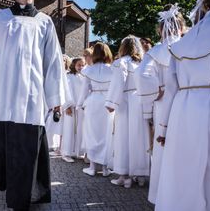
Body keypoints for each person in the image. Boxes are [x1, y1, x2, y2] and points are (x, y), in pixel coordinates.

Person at [0, 0, 68, 209]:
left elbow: (52, 63)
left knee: (25, 150)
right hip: (0, 97)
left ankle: (20, 200)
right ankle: (4, 183)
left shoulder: (45, 22)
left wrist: (55, 99)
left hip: (30, 98)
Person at [155, 0, 210, 210]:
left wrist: (163, 128)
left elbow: (171, 90)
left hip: (181, 113)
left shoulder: (187, 39)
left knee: (183, 178)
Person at [134, 4, 186, 203]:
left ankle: (161, 195)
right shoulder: (190, 45)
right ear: (180, 27)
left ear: (161, 29)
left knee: (163, 146)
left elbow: (142, 75)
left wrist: (157, 91)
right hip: (188, 100)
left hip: (164, 104)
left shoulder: (156, 51)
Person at [105, 35, 150, 188]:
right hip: (140, 100)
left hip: (124, 101)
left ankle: (124, 176)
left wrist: (111, 103)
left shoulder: (120, 63)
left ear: (123, 47)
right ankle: (140, 174)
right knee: (139, 137)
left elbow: (118, 83)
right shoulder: (142, 63)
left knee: (123, 137)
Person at [77, 42, 114, 177]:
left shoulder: (89, 70)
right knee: (106, 134)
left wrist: (79, 104)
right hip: (107, 103)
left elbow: (84, 90)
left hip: (93, 102)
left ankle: (92, 167)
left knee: (92, 133)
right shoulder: (113, 69)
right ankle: (104, 168)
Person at [61, 57, 85, 163]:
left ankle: (76, 151)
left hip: (80, 107)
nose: (81, 67)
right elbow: (66, 91)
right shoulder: (69, 76)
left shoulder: (83, 77)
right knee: (69, 129)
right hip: (71, 107)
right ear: (74, 65)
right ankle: (66, 153)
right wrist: (67, 106)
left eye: (83, 65)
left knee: (79, 130)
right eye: (79, 65)